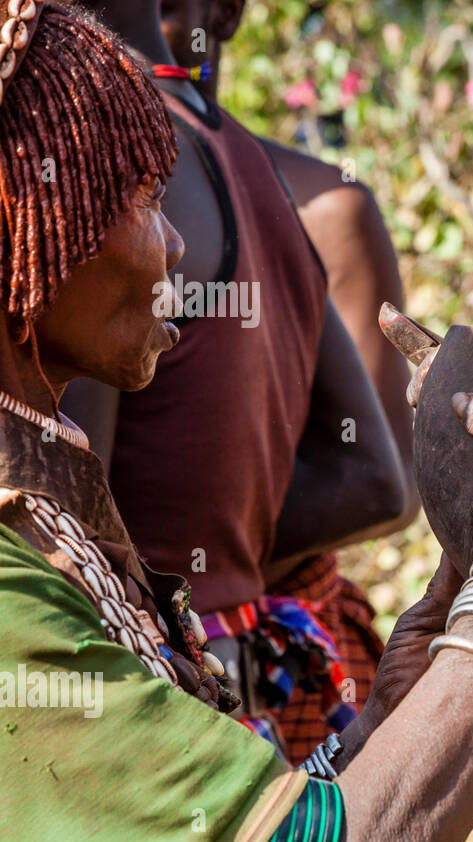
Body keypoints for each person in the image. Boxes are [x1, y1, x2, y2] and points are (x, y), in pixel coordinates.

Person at [0, 1, 473, 842]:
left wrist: (390, 716)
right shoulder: (16, 582)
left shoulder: (50, 504)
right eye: (144, 199)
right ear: (29, 230)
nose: (173, 246)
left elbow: (282, 839)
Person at [62, 0, 413, 764]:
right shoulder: (243, 157)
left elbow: (63, 513)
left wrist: (179, 573)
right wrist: (208, 563)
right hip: (233, 679)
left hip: (144, 696)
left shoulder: (94, 144)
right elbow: (374, 480)